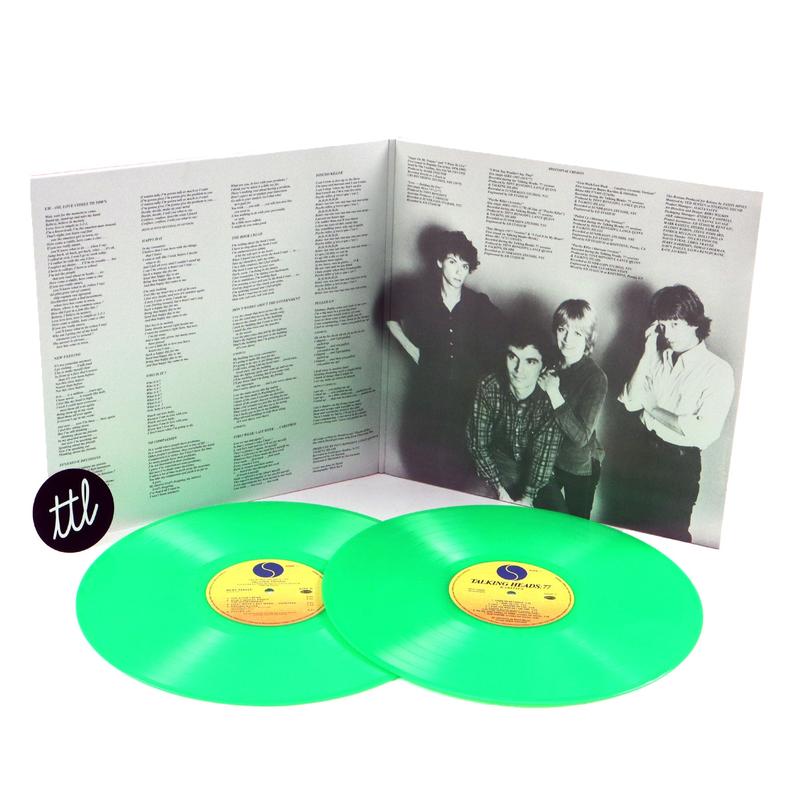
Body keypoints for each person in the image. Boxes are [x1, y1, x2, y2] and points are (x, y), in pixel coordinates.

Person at [387, 230, 504, 489]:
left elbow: (506, 331)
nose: (459, 272)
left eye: (465, 266)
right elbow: (388, 315)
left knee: (459, 458)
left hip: (465, 393)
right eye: (453, 262)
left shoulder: (477, 303)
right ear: (440, 261)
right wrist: (413, 350)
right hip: (427, 390)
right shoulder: (421, 297)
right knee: (424, 454)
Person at [618, 284, 734, 542]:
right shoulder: (656, 357)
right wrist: (648, 353)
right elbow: (630, 402)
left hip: (677, 467)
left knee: (668, 539)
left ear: (695, 323)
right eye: (662, 325)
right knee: (630, 535)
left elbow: (703, 432)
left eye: (674, 324)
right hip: (641, 453)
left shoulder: (717, 370)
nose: (667, 333)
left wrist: (653, 407)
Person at [467, 328, 563, 507]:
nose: (519, 369)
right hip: (495, 467)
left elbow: (544, 456)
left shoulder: (551, 398)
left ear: (543, 367)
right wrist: (500, 490)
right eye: (513, 357)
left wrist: (528, 497)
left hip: (536, 473)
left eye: (530, 361)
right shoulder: (489, 386)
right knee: (470, 507)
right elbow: (478, 444)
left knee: (560, 518)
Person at [537, 300, 607, 518]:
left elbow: (581, 437)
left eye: (577, 333)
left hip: (579, 466)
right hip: (547, 459)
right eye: (562, 329)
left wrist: (553, 392)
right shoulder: (548, 360)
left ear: (589, 337)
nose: (567, 339)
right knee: (542, 521)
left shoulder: (596, 377)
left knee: (576, 529)